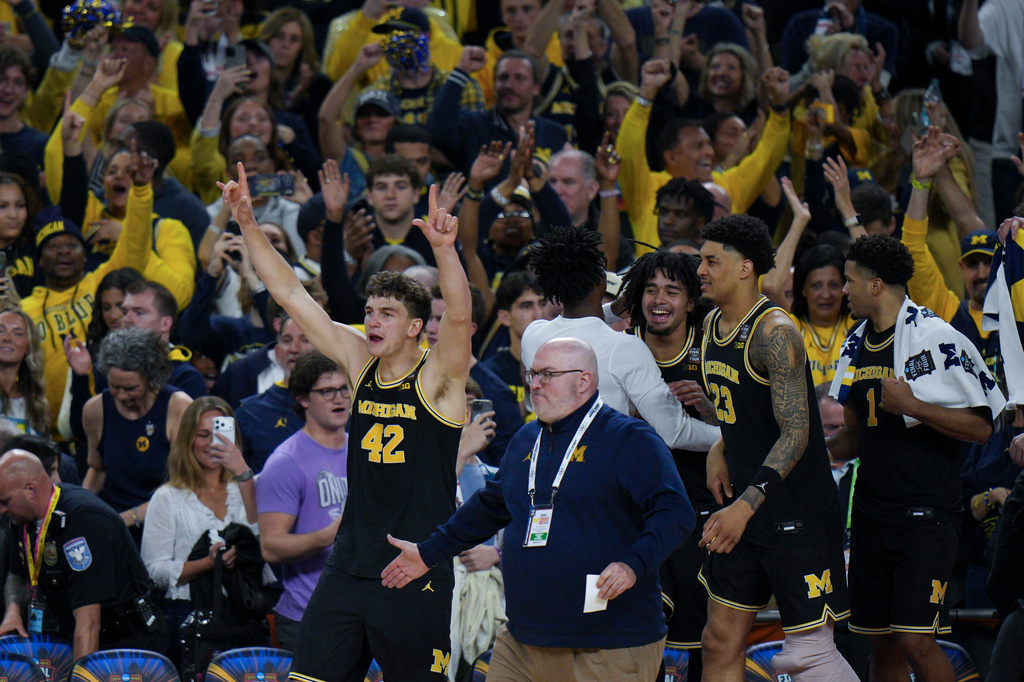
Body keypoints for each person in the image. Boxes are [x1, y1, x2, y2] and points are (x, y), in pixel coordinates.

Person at [221, 162, 472, 680]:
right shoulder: (360, 362)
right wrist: (247, 225)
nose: (373, 321)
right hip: (347, 567)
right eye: (371, 310)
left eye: (386, 314)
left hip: (413, 567)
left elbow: (464, 320)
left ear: (416, 328)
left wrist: (446, 251)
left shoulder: (440, 380)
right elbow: (291, 295)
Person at [382, 337, 694, 681]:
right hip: (523, 640)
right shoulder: (526, 438)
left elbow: (675, 513)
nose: (534, 384)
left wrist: (633, 565)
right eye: (532, 374)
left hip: (606, 643)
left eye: (547, 375)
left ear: (584, 381)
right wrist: (428, 552)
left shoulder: (629, 439)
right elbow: (490, 507)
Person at [825, 221, 1002, 679]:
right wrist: (801, 447)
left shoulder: (936, 338)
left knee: (915, 639)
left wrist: (914, 406)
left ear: (875, 284)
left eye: (848, 280)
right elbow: (852, 437)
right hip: (871, 511)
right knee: (879, 642)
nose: (844, 290)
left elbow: (982, 427)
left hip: (925, 512)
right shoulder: (855, 344)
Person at [696, 214, 857, 681]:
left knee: (809, 654)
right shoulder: (711, 325)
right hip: (745, 512)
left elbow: (795, 434)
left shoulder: (776, 332)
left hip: (796, 513)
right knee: (718, 639)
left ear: (745, 268)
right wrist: (719, 448)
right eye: (700, 260)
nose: (701, 270)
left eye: (711, 260)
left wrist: (745, 507)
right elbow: (745, 412)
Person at [521, 225, 719, 452]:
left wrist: (612, 311)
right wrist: (732, 438)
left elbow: (578, 328)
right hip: (601, 473)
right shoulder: (625, 348)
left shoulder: (533, 336)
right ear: (600, 281)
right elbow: (675, 432)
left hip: (547, 464)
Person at [619, 250, 716, 677]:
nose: (659, 299)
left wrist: (712, 410)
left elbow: (753, 429)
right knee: (639, 631)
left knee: (697, 639)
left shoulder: (714, 348)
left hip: (703, 509)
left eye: (672, 290)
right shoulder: (620, 348)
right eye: (651, 289)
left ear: (692, 300)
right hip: (634, 512)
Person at [0, 450, 167, 659]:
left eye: (5, 501)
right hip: (73, 635)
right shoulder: (21, 518)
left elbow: (89, 623)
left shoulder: (83, 522)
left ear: (30, 490)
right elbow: (17, 574)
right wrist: (13, 611)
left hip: (129, 645)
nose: (2, 510)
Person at [140, 396, 259, 668]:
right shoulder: (168, 498)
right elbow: (154, 572)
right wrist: (207, 564)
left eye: (220, 434)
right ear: (188, 440)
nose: (212, 443)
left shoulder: (247, 489)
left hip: (241, 616)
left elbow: (263, 544)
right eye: (203, 435)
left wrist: (243, 474)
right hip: (186, 617)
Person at [256, 351, 350, 651]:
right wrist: (329, 535)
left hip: (363, 611)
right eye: (327, 391)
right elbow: (271, 547)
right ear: (303, 399)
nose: (340, 398)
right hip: (308, 615)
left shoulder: (367, 449)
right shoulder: (286, 462)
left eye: (345, 388)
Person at [81, 328, 193, 542]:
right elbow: (97, 470)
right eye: (115, 387)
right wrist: (80, 506)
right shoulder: (95, 410)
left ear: (151, 378)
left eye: (131, 388)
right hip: (113, 521)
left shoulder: (179, 408)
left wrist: (126, 519)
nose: (121, 396)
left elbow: (186, 484)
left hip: (168, 524)